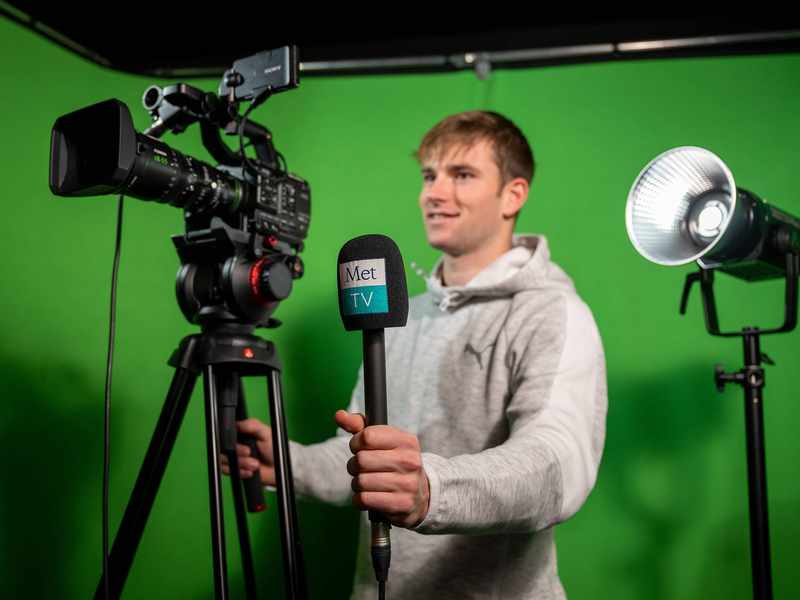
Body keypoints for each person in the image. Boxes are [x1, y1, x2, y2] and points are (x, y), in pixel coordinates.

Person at [224, 111, 607, 599]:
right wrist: (287, 463)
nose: (435, 193)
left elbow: (557, 465)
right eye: (430, 176)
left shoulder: (553, 312)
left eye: (462, 175)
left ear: (513, 195)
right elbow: (368, 458)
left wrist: (431, 489)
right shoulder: (401, 316)